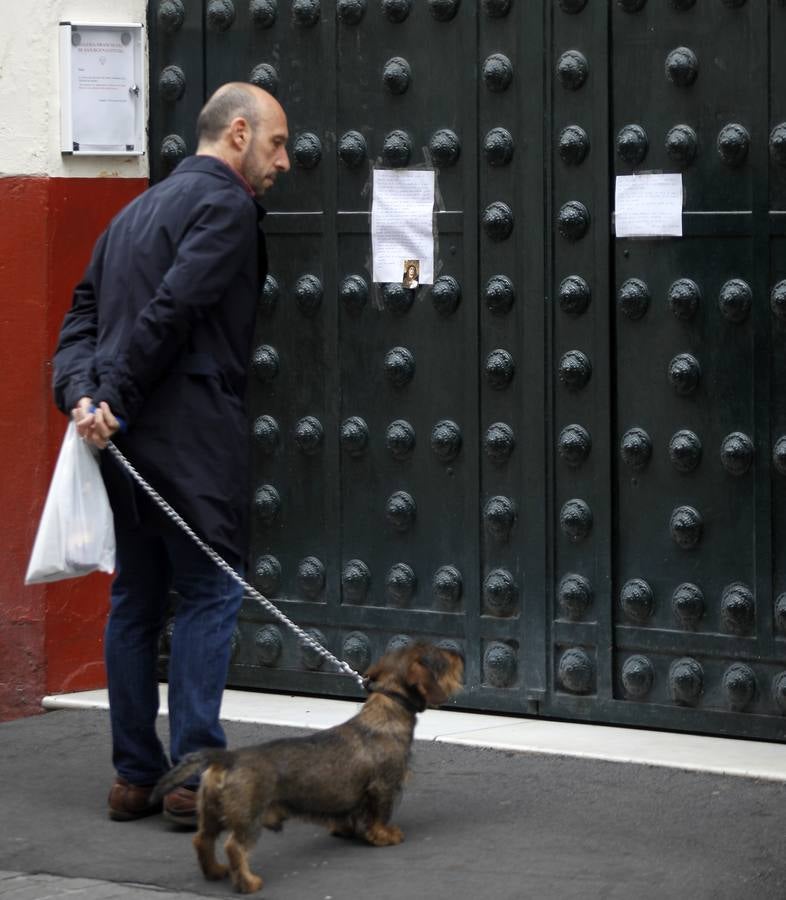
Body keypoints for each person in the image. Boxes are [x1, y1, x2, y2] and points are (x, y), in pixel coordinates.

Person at [52, 83, 290, 825]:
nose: (286, 161)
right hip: (189, 437)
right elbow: (177, 308)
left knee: (136, 597)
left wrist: (84, 399)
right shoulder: (225, 205)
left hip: (124, 441)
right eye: (278, 143)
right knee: (212, 593)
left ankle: (132, 777)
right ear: (239, 134)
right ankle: (193, 778)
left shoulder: (130, 215)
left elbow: (79, 319)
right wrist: (109, 397)